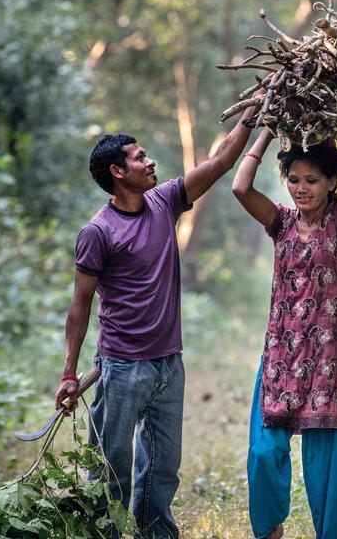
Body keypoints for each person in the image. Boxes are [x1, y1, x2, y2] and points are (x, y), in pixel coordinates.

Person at [53, 95, 263, 539]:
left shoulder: (165, 200)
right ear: (117, 171)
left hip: (170, 362)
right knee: (111, 473)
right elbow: (80, 304)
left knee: (162, 473)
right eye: (139, 157)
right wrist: (69, 373)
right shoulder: (97, 232)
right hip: (122, 367)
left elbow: (223, 160)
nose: (150, 162)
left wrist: (255, 111)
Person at [231, 95, 337, 539]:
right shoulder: (281, 221)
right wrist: (268, 128)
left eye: (312, 179)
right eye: (293, 179)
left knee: (326, 461)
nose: (301, 188)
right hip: (281, 352)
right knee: (264, 450)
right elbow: (240, 188)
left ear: (332, 182)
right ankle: (270, 530)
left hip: (330, 354)